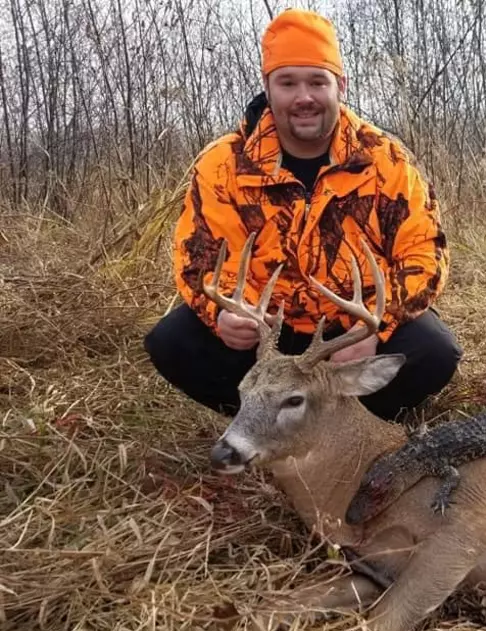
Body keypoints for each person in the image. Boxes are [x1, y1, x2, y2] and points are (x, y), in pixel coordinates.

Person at [143, 8, 462, 422]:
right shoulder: (223, 164)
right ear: (268, 87)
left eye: (317, 81)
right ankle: (264, 427)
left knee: (434, 350)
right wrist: (222, 315)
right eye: (288, 82)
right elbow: (197, 257)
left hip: (350, 332)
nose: (304, 97)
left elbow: (425, 252)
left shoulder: (385, 159)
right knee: (172, 341)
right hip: (266, 336)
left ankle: (351, 429)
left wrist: (376, 327)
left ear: (340, 86)